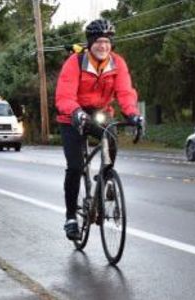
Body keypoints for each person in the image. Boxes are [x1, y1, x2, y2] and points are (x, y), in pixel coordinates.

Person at [55, 19, 143, 240]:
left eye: (107, 42)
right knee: (75, 167)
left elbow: (125, 92)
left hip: (100, 113)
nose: (103, 46)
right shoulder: (74, 63)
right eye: (98, 42)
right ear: (90, 44)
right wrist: (75, 112)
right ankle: (71, 219)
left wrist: (132, 114)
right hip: (71, 115)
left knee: (110, 137)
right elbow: (64, 96)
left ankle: (106, 177)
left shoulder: (117, 63)